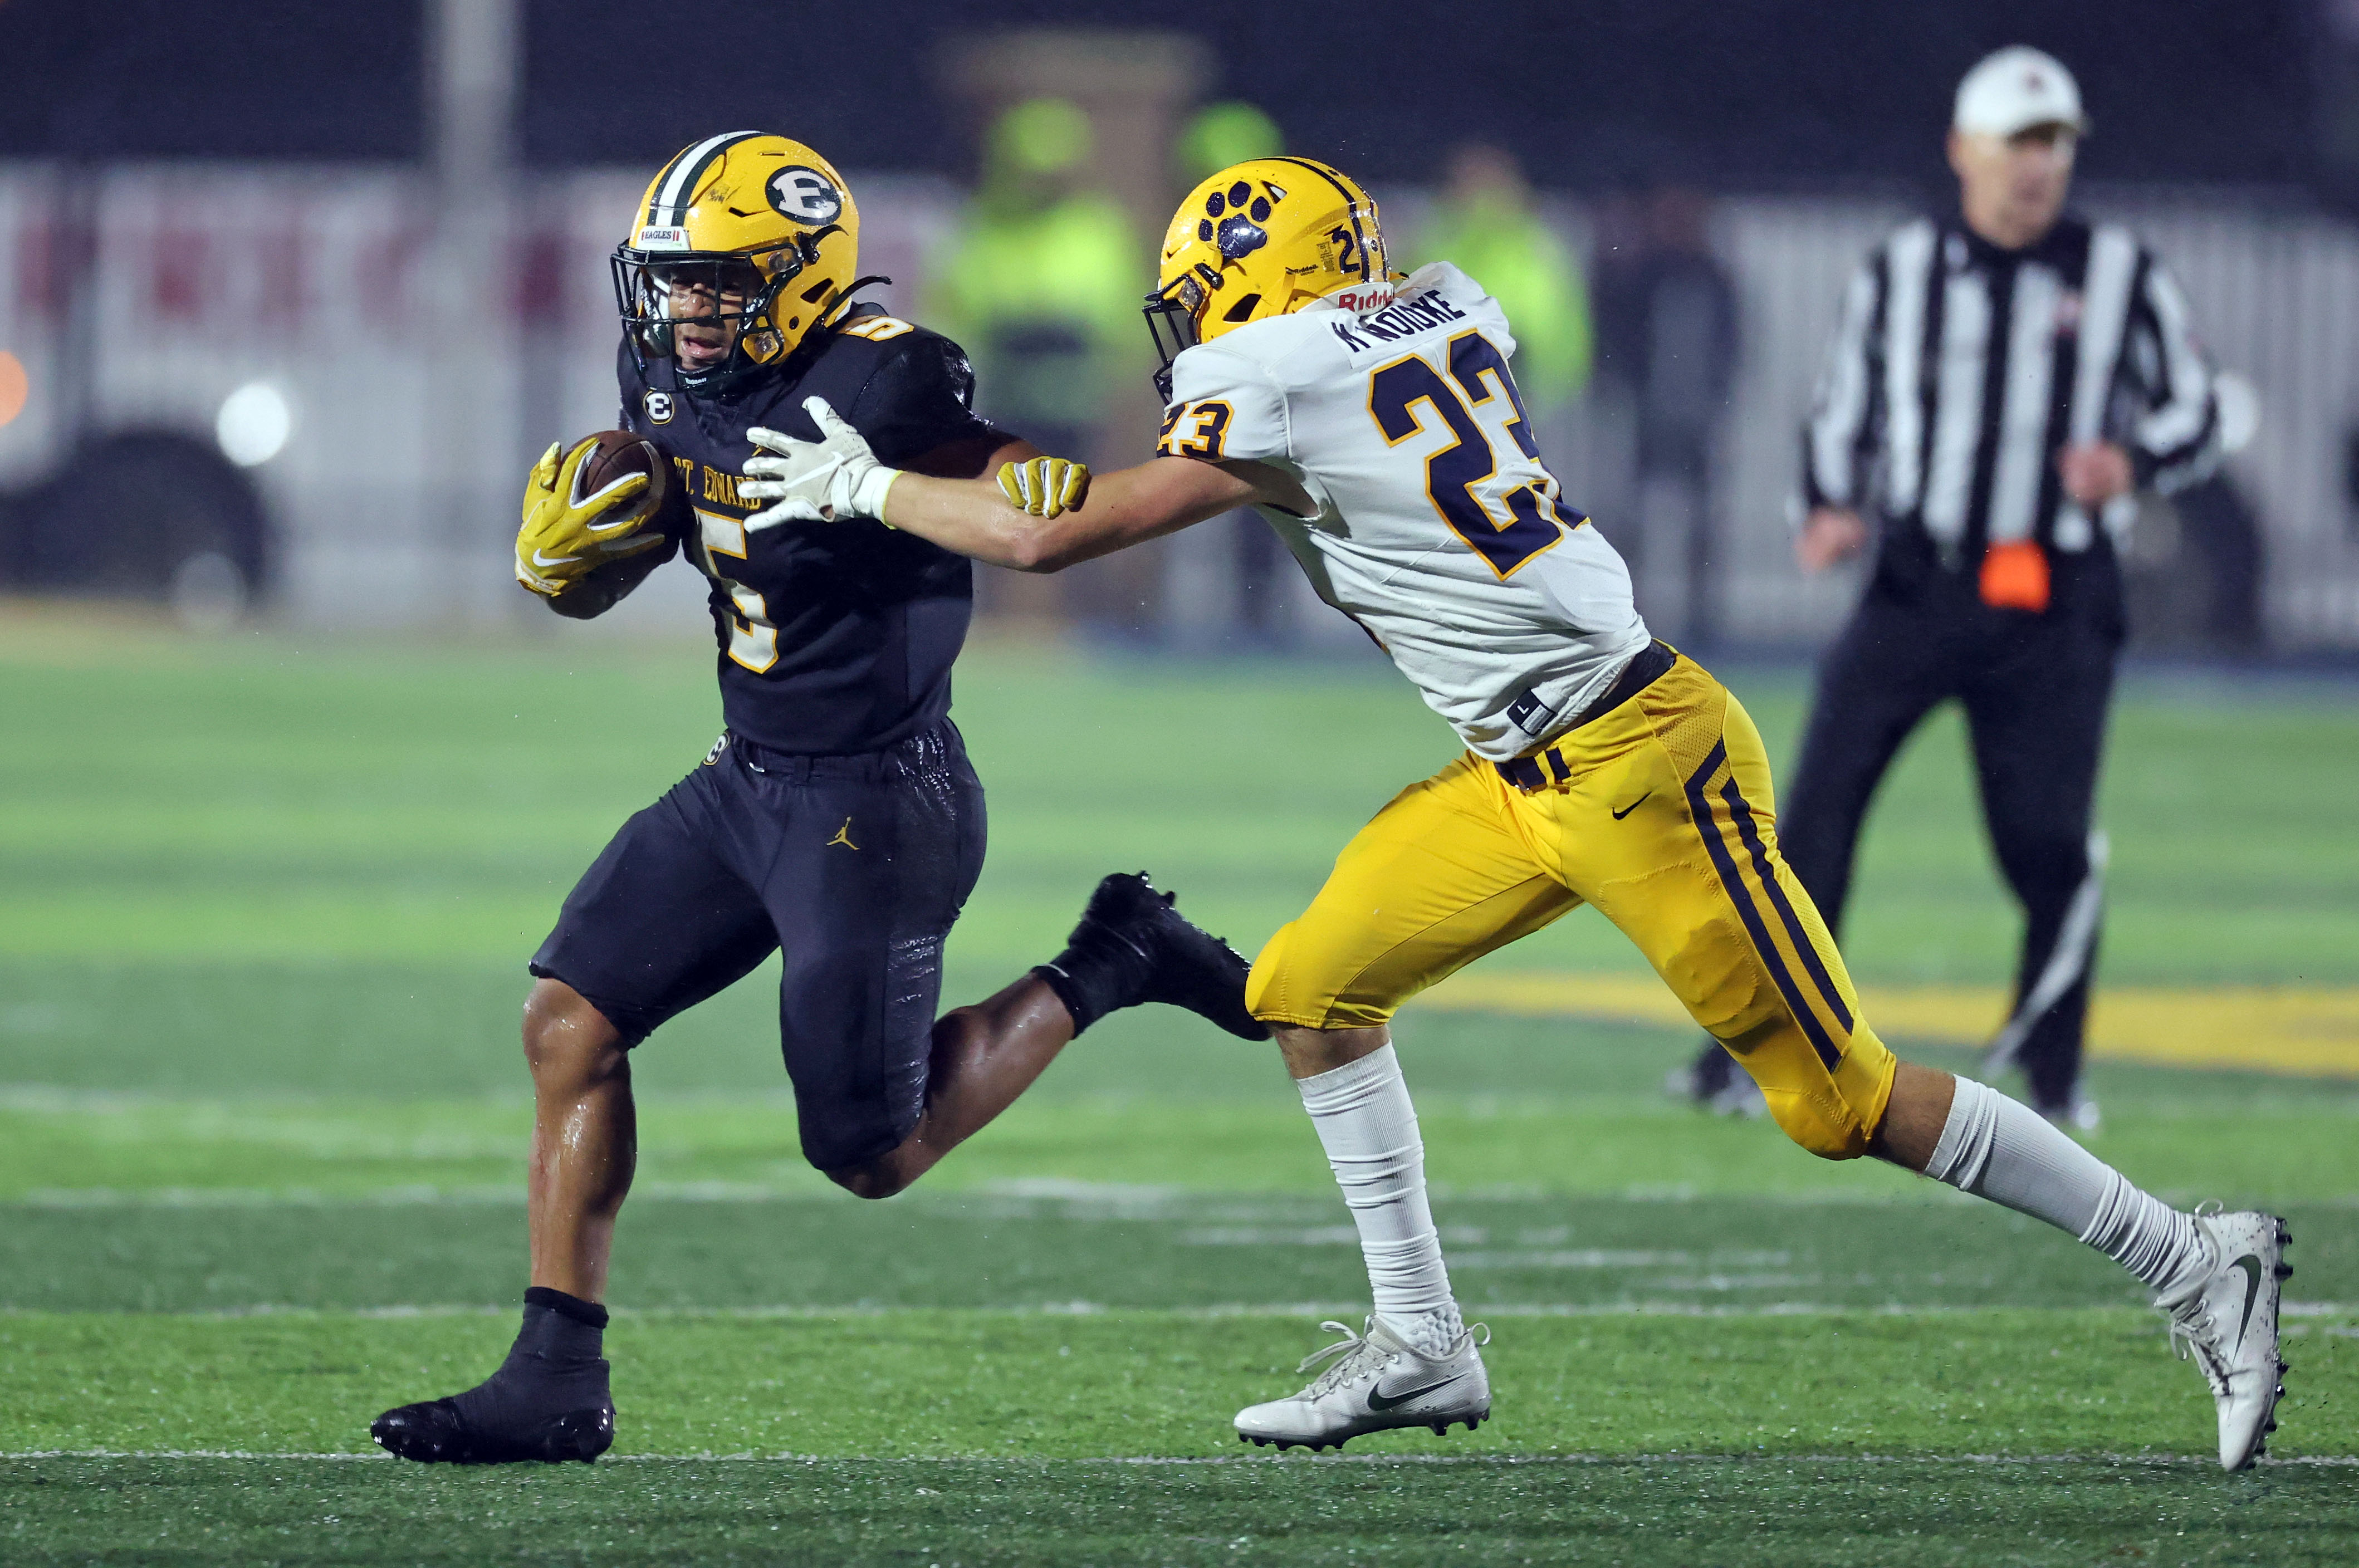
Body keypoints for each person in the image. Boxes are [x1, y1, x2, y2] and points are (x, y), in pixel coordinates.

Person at [735, 154, 2292, 1471]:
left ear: (1256, 286)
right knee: (1309, 988)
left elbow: (1067, 533)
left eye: (1203, 296)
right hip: (1519, 772)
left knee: (1840, 1103)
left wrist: (867, 492)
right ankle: (1421, 1344)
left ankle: (2188, 1258)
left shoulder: (1267, 372)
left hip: (1642, 764)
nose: (1186, 332)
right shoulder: (1446, 303)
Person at [367, 134, 1263, 1466]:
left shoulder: (886, 375)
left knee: (869, 1152)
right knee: (567, 1020)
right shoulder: (671, 370)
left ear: (798, 278)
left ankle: (1113, 958)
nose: (681, 311)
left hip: (878, 805)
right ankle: (557, 1374)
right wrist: (593, 548)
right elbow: (688, 502)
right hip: (749, 780)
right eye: (669, 282)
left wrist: (1000, 480)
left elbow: (1020, 478)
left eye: (715, 283)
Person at [1676, 47, 2221, 1128]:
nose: (2040, 165)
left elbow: (2201, 408)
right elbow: (1842, 409)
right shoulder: (1902, 269)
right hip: (1918, 584)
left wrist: (2136, 461)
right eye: (2020, 141)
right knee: (1814, 822)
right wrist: (1828, 504)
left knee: (2046, 841)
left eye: (2056, 142)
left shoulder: (2120, 271)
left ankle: (2054, 1070)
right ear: (1963, 151)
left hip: (2058, 598)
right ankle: (1752, 1054)